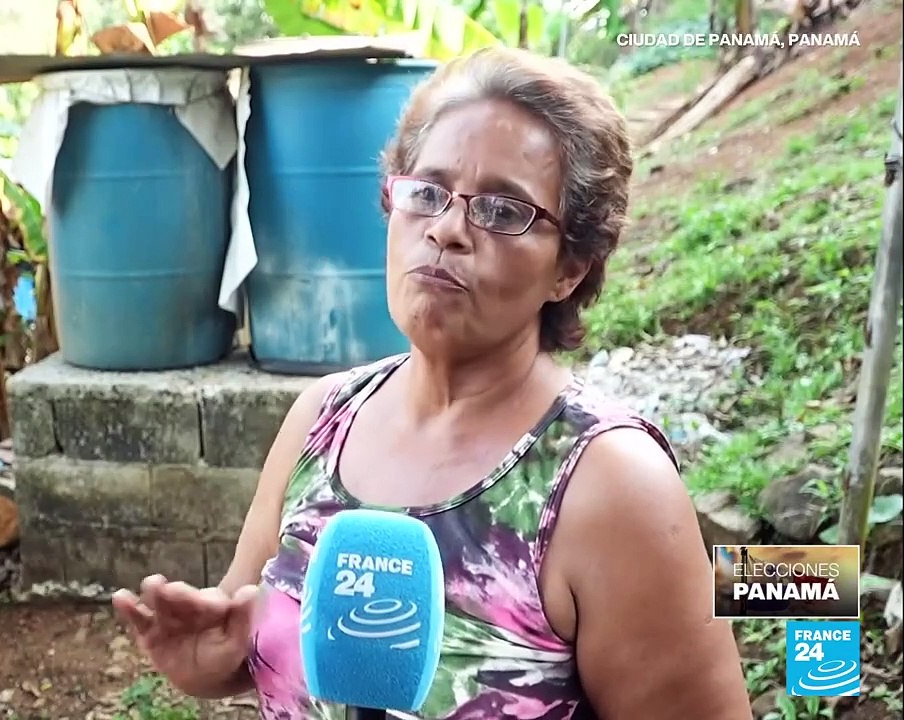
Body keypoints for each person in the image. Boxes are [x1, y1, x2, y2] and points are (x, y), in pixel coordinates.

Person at [113, 46, 752, 719]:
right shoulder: (321, 421)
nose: (447, 229)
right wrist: (213, 662)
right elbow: (250, 635)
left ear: (570, 268)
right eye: (427, 192)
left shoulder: (610, 485)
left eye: (504, 212)